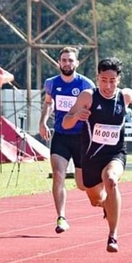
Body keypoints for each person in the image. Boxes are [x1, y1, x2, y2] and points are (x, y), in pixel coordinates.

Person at [62, 57, 132, 252]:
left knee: (111, 180)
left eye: (112, 80)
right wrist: (76, 117)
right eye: (104, 80)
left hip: (115, 153)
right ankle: (108, 206)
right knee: (95, 199)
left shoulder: (124, 96)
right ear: (97, 78)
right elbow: (65, 123)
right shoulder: (87, 96)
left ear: (119, 80)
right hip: (90, 157)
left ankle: (113, 235)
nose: (108, 85)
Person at [38, 47, 95, 234]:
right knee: (58, 174)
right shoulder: (51, 84)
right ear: (59, 62)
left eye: (70, 60)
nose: (67, 63)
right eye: (64, 60)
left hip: (81, 138)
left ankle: (103, 201)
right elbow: (48, 103)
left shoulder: (86, 84)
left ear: (76, 63)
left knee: (82, 184)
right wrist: (43, 122)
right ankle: (61, 217)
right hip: (61, 136)